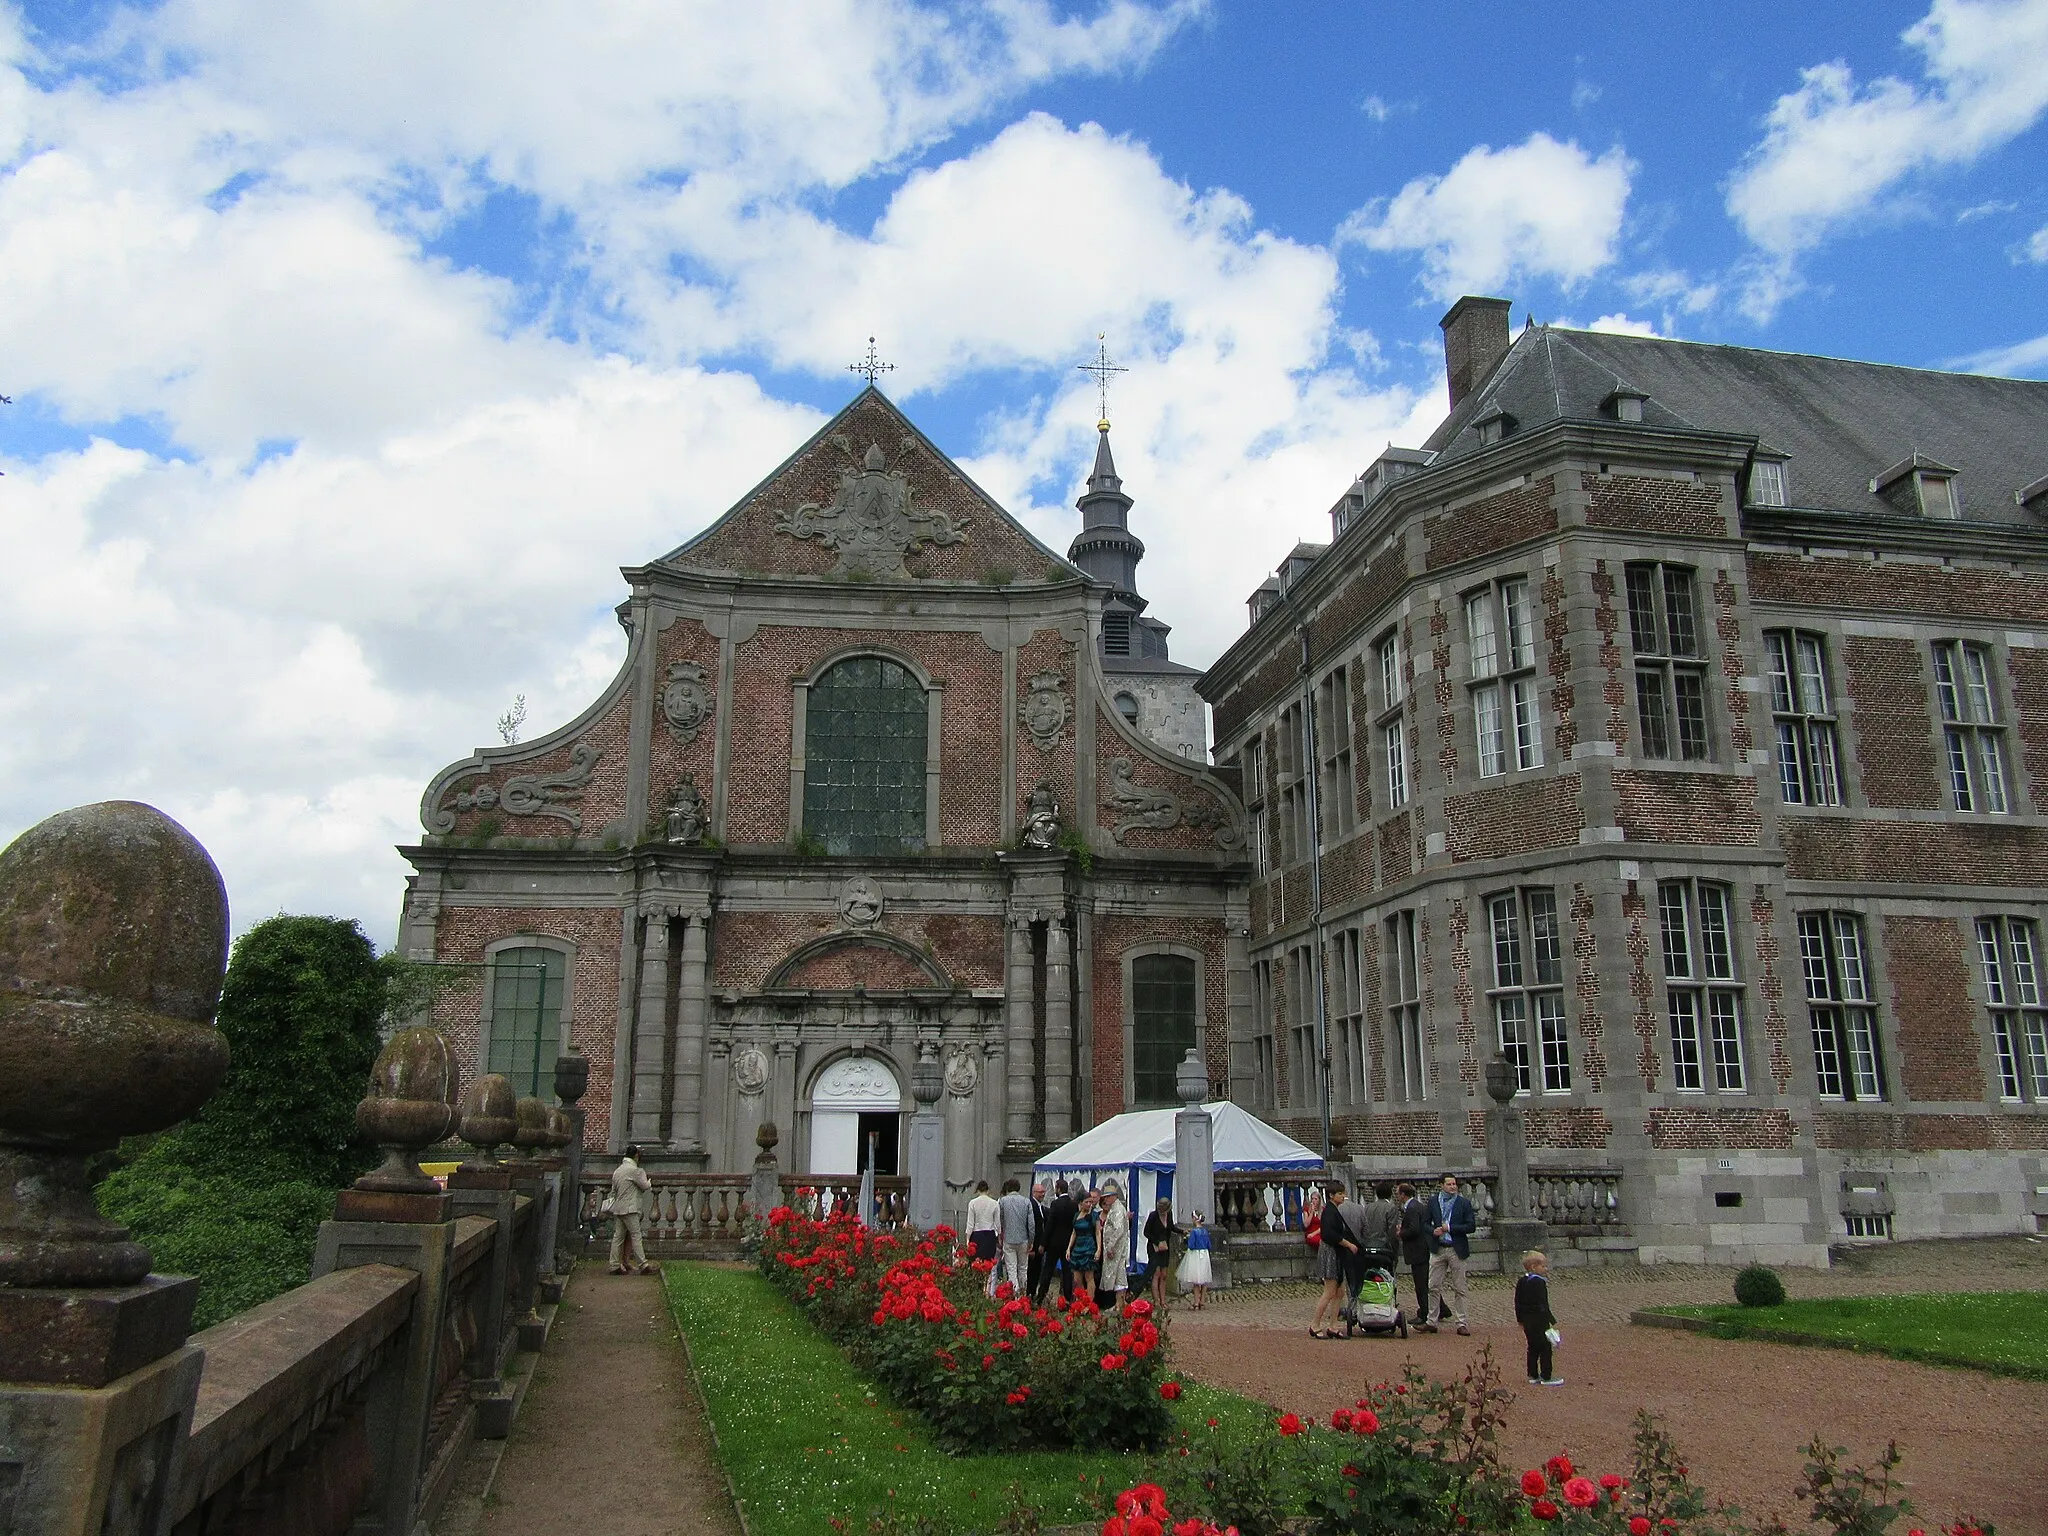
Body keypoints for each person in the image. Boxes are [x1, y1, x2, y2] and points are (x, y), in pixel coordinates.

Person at [1428, 1173, 1477, 1335]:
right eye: (1449, 1184)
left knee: (1460, 1288)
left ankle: (1461, 1323)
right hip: (1439, 1248)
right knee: (1433, 1286)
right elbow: (1425, 1223)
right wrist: (1432, 1231)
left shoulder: (1463, 1203)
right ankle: (1431, 1321)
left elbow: (1471, 1226)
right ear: (1441, 1185)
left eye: (1454, 1184)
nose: (1453, 1187)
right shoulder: (1433, 1202)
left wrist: (1451, 1228)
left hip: (1457, 1248)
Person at [1308, 1185, 1356, 1338]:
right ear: (1331, 1195)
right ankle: (1315, 1324)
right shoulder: (1329, 1211)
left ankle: (1333, 1325)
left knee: (1339, 1292)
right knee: (1329, 1292)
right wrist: (1348, 1244)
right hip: (1330, 1253)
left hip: (1336, 1252)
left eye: (1343, 1193)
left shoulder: (1333, 1210)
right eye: (1340, 1194)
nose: (1343, 1196)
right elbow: (1329, 1234)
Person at [1516, 1250, 1563, 1386]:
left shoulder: (1522, 1281)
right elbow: (1543, 1303)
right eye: (1543, 1266)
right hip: (1539, 1319)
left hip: (1527, 1319)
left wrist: (1520, 1319)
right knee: (1545, 1347)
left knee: (1532, 1347)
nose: (1546, 1269)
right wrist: (1551, 1319)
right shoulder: (1539, 1283)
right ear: (1533, 1267)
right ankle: (1546, 1376)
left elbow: (1517, 1302)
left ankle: (1533, 1374)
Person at [608, 1145, 656, 1276]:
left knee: (618, 1237)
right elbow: (645, 1185)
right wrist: (649, 1181)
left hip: (618, 1208)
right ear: (636, 1156)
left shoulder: (618, 1171)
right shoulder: (635, 1171)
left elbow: (613, 1191)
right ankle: (643, 1264)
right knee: (636, 1236)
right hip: (630, 1208)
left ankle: (614, 1264)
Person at [1396, 1181, 1434, 1332]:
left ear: (1403, 1195)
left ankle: (1424, 1313)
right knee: (1424, 1281)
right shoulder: (1418, 1206)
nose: (1398, 1196)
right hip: (1422, 1249)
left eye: (1399, 1194)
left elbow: (1414, 1229)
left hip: (1417, 1250)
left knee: (1421, 1284)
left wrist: (1401, 1233)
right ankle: (1440, 1309)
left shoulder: (1412, 1208)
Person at [1095, 1181, 1132, 1309]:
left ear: (1113, 1196)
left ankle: (1119, 1303)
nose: (1106, 1200)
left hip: (1116, 1249)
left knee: (1117, 1275)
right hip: (1117, 1249)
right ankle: (1119, 1303)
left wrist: (1110, 1246)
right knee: (1119, 1276)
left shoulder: (1117, 1210)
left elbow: (1118, 1229)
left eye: (1107, 1197)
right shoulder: (1116, 1208)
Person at [1040, 1179, 1077, 1303]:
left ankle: (1041, 1295)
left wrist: (1043, 1243)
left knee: (1048, 1270)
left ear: (1059, 1189)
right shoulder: (1073, 1204)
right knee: (1067, 1272)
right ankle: (1067, 1297)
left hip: (1054, 1242)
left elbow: (1050, 1224)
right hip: (1067, 1243)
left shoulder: (1055, 1204)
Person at [997, 1178, 1034, 1295]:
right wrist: (1031, 1239)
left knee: (1011, 1269)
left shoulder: (1003, 1201)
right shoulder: (1026, 1201)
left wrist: (1000, 1235)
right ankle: (1023, 1292)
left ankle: (1015, 1293)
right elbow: (1031, 1224)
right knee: (1023, 1268)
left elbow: (1000, 1219)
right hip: (1023, 1238)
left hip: (1008, 1238)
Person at [965, 1179, 1002, 1291]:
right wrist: (999, 1237)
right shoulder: (994, 1203)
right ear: (988, 1190)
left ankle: (977, 1288)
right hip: (990, 1235)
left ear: (977, 1190)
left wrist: (967, 1239)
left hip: (977, 1235)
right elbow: (997, 1224)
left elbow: (970, 1223)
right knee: (988, 1265)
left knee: (976, 1264)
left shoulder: (973, 1203)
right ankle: (987, 1289)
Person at [1143, 1197, 1176, 1307]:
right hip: (1154, 1247)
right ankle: (1156, 1300)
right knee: (1156, 1273)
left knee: (1164, 1274)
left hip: (1165, 1248)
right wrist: (1157, 1243)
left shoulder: (1169, 1214)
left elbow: (1171, 1227)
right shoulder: (1153, 1216)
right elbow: (1146, 1232)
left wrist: (1182, 1231)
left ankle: (1163, 1300)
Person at [1067, 1189, 1100, 1301]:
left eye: (1091, 1202)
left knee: (1089, 1276)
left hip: (1089, 1246)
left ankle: (1089, 1302)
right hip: (1078, 1247)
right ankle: (1080, 1300)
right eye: (1087, 1202)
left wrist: (1099, 1249)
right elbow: (1074, 1232)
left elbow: (1097, 1233)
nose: (1089, 1204)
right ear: (1080, 1203)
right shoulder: (1076, 1215)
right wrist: (1068, 1248)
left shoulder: (1094, 1215)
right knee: (1077, 1278)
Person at [1178, 1212, 1213, 1308]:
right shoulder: (1205, 1231)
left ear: (1194, 1218)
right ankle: (1202, 1301)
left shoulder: (1194, 1232)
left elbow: (1191, 1245)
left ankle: (1196, 1301)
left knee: (1195, 1279)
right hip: (1204, 1254)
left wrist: (1188, 1239)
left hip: (1195, 1255)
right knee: (1204, 1278)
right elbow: (1209, 1245)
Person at [1026, 1181, 1050, 1299]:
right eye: (1040, 1192)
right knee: (1031, 1271)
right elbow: (1031, 1227)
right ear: (1034, 1193)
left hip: (1040, 1245)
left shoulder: (1041, 1207)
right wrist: (1032, 1246)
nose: (1043, 1194)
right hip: (1033, 1245)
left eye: (1044, 1192)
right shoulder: (1031, 1205)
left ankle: (1032, 1292)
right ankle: (1029, 1293)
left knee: (1036, 1271)